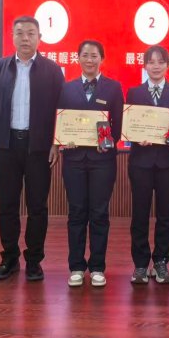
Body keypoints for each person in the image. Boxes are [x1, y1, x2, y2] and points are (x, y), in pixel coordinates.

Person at [0, 15, 64, 281]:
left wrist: (56, 143)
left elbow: (60, 110)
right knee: (7, 205)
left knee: (37, 206)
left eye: (31, 33)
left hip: (38, 147)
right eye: (20, 33)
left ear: (40, 37)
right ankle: (9, 258)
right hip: (6, 145)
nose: (25, 38)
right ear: (13, 37)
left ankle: (34, 260)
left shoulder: (52, 70)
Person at [54, 40, 124, 287]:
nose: (89, 60)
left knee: (99, 212)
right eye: (85, 55)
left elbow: (118, 126)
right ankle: (76, 266)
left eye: (94, 55)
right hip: (73, 159)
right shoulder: (66, 88)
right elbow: (61, 122)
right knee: (76, 212)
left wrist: (108, 140)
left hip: (102, 160)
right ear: (78, 58)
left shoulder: (113, 88)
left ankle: (97, 266)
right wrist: (64, 140)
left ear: (101, 59)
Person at [126, 45, 169, 285]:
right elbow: (129, 124)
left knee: (166, 215)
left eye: (161, 61)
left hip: (168, 162)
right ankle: (141, 264)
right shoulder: (133, 92)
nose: (156, 66)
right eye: (151, 62)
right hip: (140, 162)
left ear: (168, 65)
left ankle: (161, 261)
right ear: (144, 65)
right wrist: (134, 137)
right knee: (139, 214)